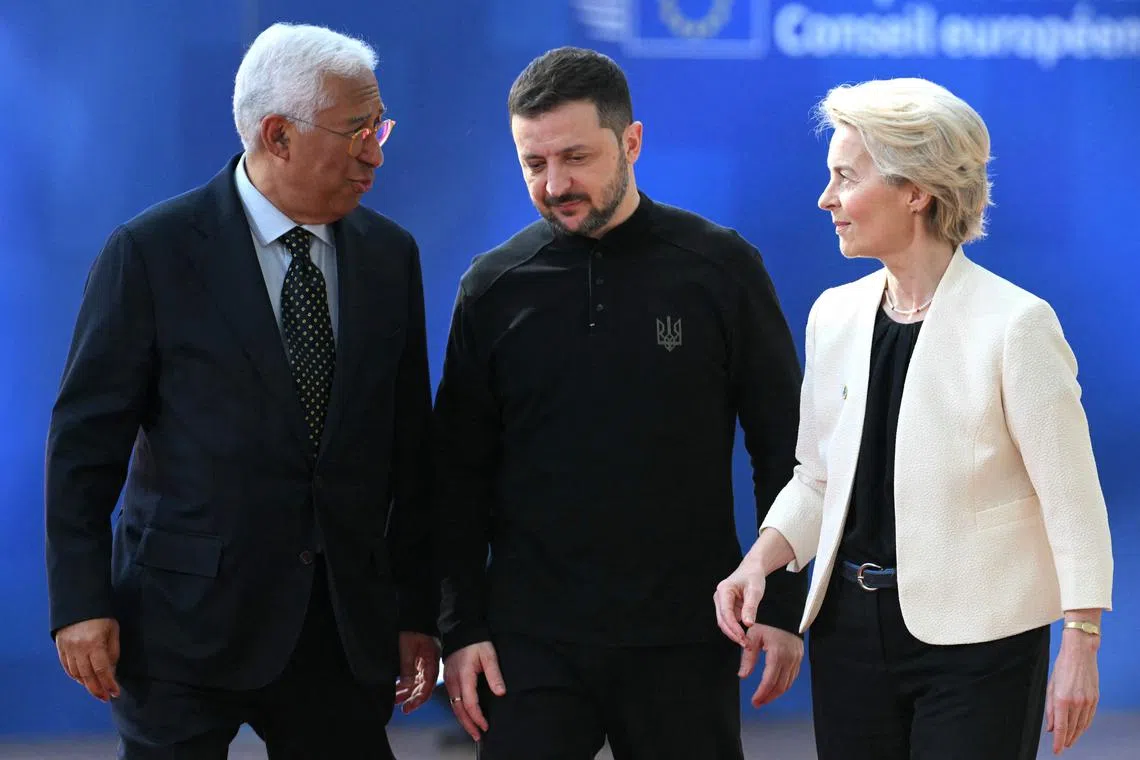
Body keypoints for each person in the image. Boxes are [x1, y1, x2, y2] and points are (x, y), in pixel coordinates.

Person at [45, 22, 439, 759]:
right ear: (278, 135)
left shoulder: (391, 257)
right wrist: (79, 604)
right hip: (180, 626)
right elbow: (82, 447)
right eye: (356, 130)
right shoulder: (152, 253)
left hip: (338, 629)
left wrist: (418, 609)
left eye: (378, 126)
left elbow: (410, 452)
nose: (375, 153)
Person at [714, 77, 1114, 760]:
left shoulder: (1017, 325)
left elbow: (1071, 502)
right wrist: (760, 561)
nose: (827, 199)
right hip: (848, 635)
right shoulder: (833, 315)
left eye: (845, 177)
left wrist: (1080, 641)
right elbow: (816, 480)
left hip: (981, 645)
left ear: (915, 191)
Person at [433, 46, 807, 759]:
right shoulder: (492, 288)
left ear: (632, 141)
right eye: (533, 163)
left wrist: (782, 605)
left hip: (688, 634)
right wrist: (462, 629)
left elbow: (784, 449)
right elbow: (455, 476)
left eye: (575, 157)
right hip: (528, 646)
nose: (554, 183)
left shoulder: (721, 269)